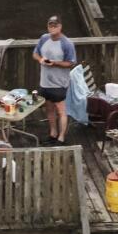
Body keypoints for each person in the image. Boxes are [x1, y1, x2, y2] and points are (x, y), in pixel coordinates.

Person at [32, 16, 76, 145]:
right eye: (50, 25)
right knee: (49, 109)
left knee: (61, 111)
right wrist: (40, 60)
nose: (52, 27)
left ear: (60, 26)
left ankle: (61, 138)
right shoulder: (44, 38)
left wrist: (54, 63)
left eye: (55, 25)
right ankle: (53, 133)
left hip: (59, 83)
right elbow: (35, 53)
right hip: (44, 82)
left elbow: (71, 63)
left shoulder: (67, 43)